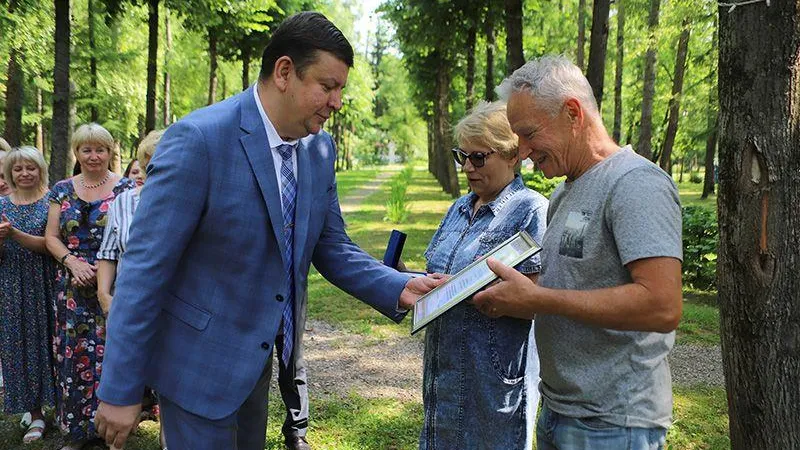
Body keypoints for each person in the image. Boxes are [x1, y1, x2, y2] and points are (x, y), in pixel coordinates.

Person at [94, 12, 441, 450]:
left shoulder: (318, 148)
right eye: (328, 86)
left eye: (341, 89)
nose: (337, 102)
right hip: (196, 372)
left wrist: (400, 285)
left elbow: (330, 244)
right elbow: (144, 270)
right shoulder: (199, 140)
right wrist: (121, 387)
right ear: (283, 72)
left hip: (255, 370)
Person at [472, 56, 683, 450]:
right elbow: (567, 288)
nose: (522, 150)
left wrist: (539, 298)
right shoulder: (565, 191)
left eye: (529, 133)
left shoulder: (635, 184)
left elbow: (662, 305)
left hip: (613, 423)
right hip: (559, 412)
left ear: (573, 113)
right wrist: (501, 295)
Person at [418, 101, 547, 450]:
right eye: (462, 157)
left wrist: (471, 292)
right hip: (443, 372)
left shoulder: (530, 210)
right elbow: (439, 272)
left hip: (489, 379)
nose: (467, 168)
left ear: (512, 155)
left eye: (479, 158)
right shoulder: (459, 208)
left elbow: (538, 300)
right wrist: (409, 278)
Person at [44, 123, 135, 450]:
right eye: (87, 150)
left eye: (101, 149)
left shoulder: (125, 188)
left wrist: (106, 270)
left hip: (114, 285)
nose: (94, 156)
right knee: (74, 353)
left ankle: (112, 430)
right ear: (76, 153)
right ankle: (77, 431)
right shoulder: (61, 189)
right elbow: (51, 237)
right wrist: (72, 261)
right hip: (72, 288)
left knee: (113, 352)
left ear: (111, 152)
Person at [96, 129, 165, 447]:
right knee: (124, 380)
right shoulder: (123, 202)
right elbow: (108, 253)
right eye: (150, 161)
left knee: (171, 386)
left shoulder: (189, 202)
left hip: (173, 307)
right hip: (129, 305)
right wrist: (104, 295)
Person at [0, 146, 56, 444]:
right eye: (18, 169)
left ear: (40, 170)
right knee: (19, 348)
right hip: (12, 286)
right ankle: (35, 414)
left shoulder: (52, 200)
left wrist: (15, 235)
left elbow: (50, 245)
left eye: (30, 168)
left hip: (47, 280)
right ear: (10, 172)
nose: (24, 174)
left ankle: (62, 406)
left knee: (53, 343)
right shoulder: (0, 205)